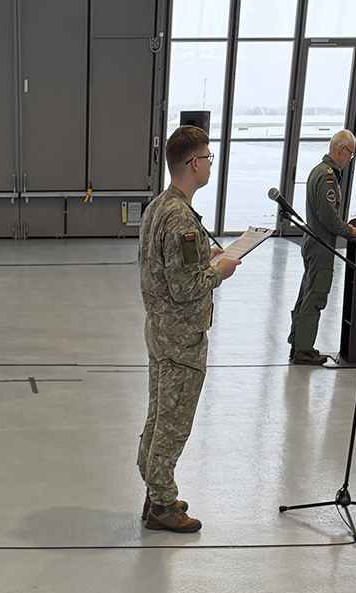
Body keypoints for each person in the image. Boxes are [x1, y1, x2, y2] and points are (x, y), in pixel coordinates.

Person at [137, 124, 240, 533]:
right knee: (173, 425)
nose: (211, 164)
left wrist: (204, 258)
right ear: (194, 164)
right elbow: (184, 287)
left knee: (158, 416)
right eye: (208, 158)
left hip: (161, 332)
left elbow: (165, 268)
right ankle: (162, 505)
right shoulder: (180, 217)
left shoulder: (159, 206)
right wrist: (219, 271)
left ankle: (154, 491)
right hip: (181, 339)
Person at [287, 130, 356, 367]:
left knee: (307, 293)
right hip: (321, 243)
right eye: (350, 155)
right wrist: (349, 231)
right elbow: (328, 216)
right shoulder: (328, 176)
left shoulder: (318, 171)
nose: (349, 160)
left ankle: (298, 343)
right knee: (316, 296)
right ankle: (304, 349)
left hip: (313, 241)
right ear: (341, 150)